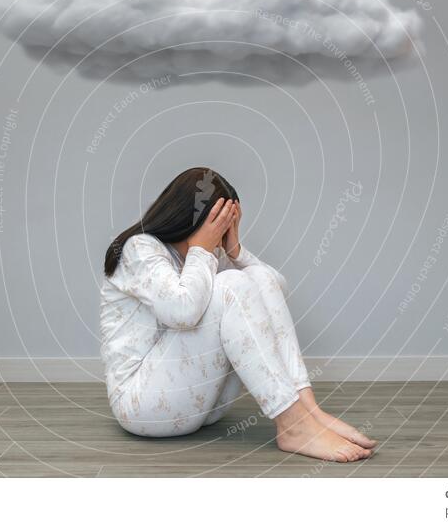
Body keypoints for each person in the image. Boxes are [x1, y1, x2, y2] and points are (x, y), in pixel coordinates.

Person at [99, 167, 377, 462]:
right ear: (193, 219)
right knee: (231, 284)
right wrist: (202, 250)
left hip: (205, 407)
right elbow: (181, 312)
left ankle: (307, 411)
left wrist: (236, 251)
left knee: (256, 277)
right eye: (218, 225)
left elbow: (272, 291)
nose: (219, 237)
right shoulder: (139, 247)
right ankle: (293, 425)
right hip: (141, 406)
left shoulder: (208, 254)